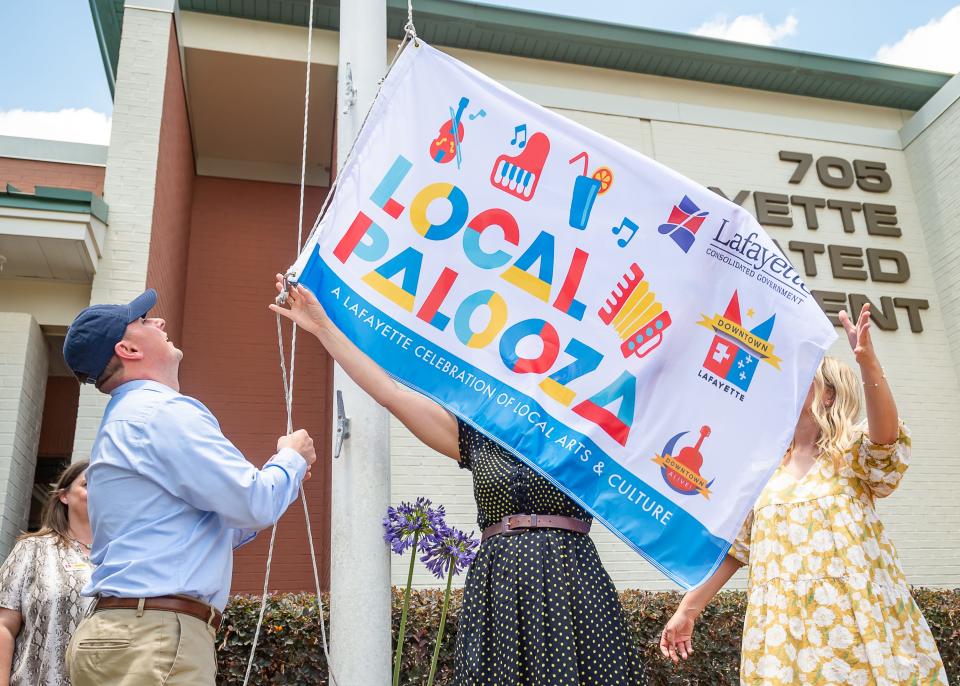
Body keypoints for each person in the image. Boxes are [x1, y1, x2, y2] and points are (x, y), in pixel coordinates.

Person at [271, 276, 647, 685]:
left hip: (570, 582)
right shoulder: (477, 435)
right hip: (498, 584)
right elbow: (388, 393)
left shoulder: (590, 433)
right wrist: (323, 327)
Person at [659, 304, 948, 684]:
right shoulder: (763, 472)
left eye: (803, 378)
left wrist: (869, 365)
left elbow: (885, 441)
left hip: (852, 624)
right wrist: (688, 610)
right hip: (784, 632)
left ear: (828, 396)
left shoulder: (850, 455)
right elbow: (736, 550)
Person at [60, 289, 317, 686]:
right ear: (127, 348)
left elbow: (192, 529)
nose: (159, 322)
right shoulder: (160, 411)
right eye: (144, 321)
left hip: (123, 634)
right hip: (155, 638)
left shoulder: (126, 420)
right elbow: (254, 501)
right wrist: (291, 458)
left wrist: (284, 478)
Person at [0, 461, 92, 686]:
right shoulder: (33, 548)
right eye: (89, 484)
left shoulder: (123, 557)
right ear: (64, 496)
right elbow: (4, 626)